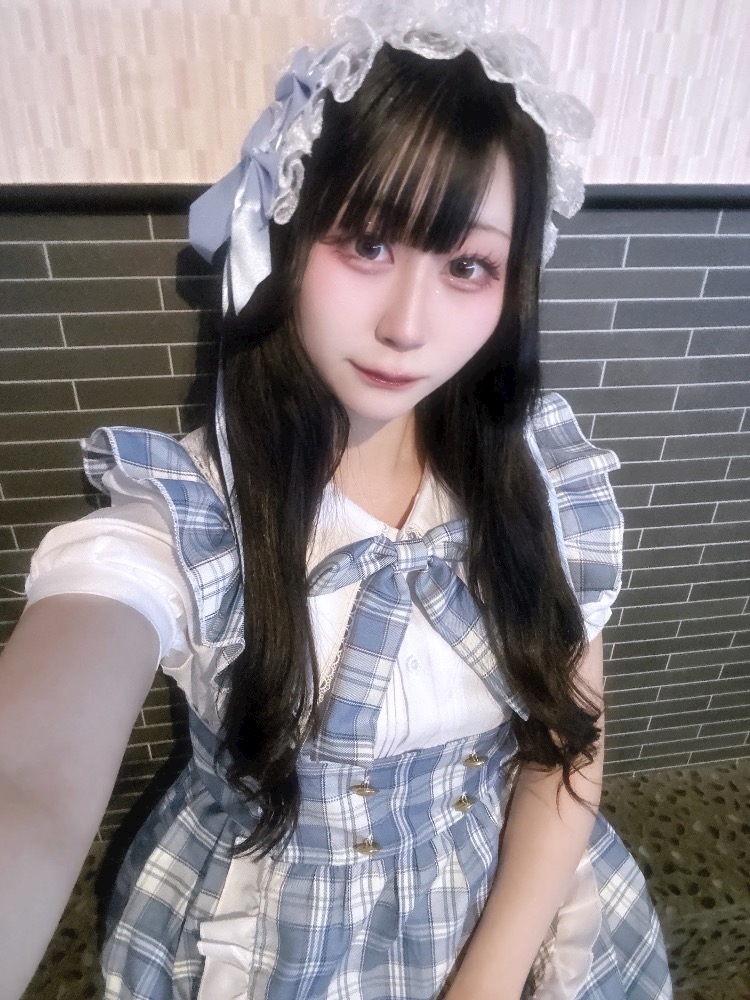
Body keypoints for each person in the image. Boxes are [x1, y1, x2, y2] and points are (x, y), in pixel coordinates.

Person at [0, 3, 673, 999]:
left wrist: (486, 982)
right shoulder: (184, 516)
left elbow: (565, 749)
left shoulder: (537, 477)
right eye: (365, 242)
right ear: (287, 231)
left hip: (508, 907)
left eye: (467, 265)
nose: (408, 324)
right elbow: (27, 781)